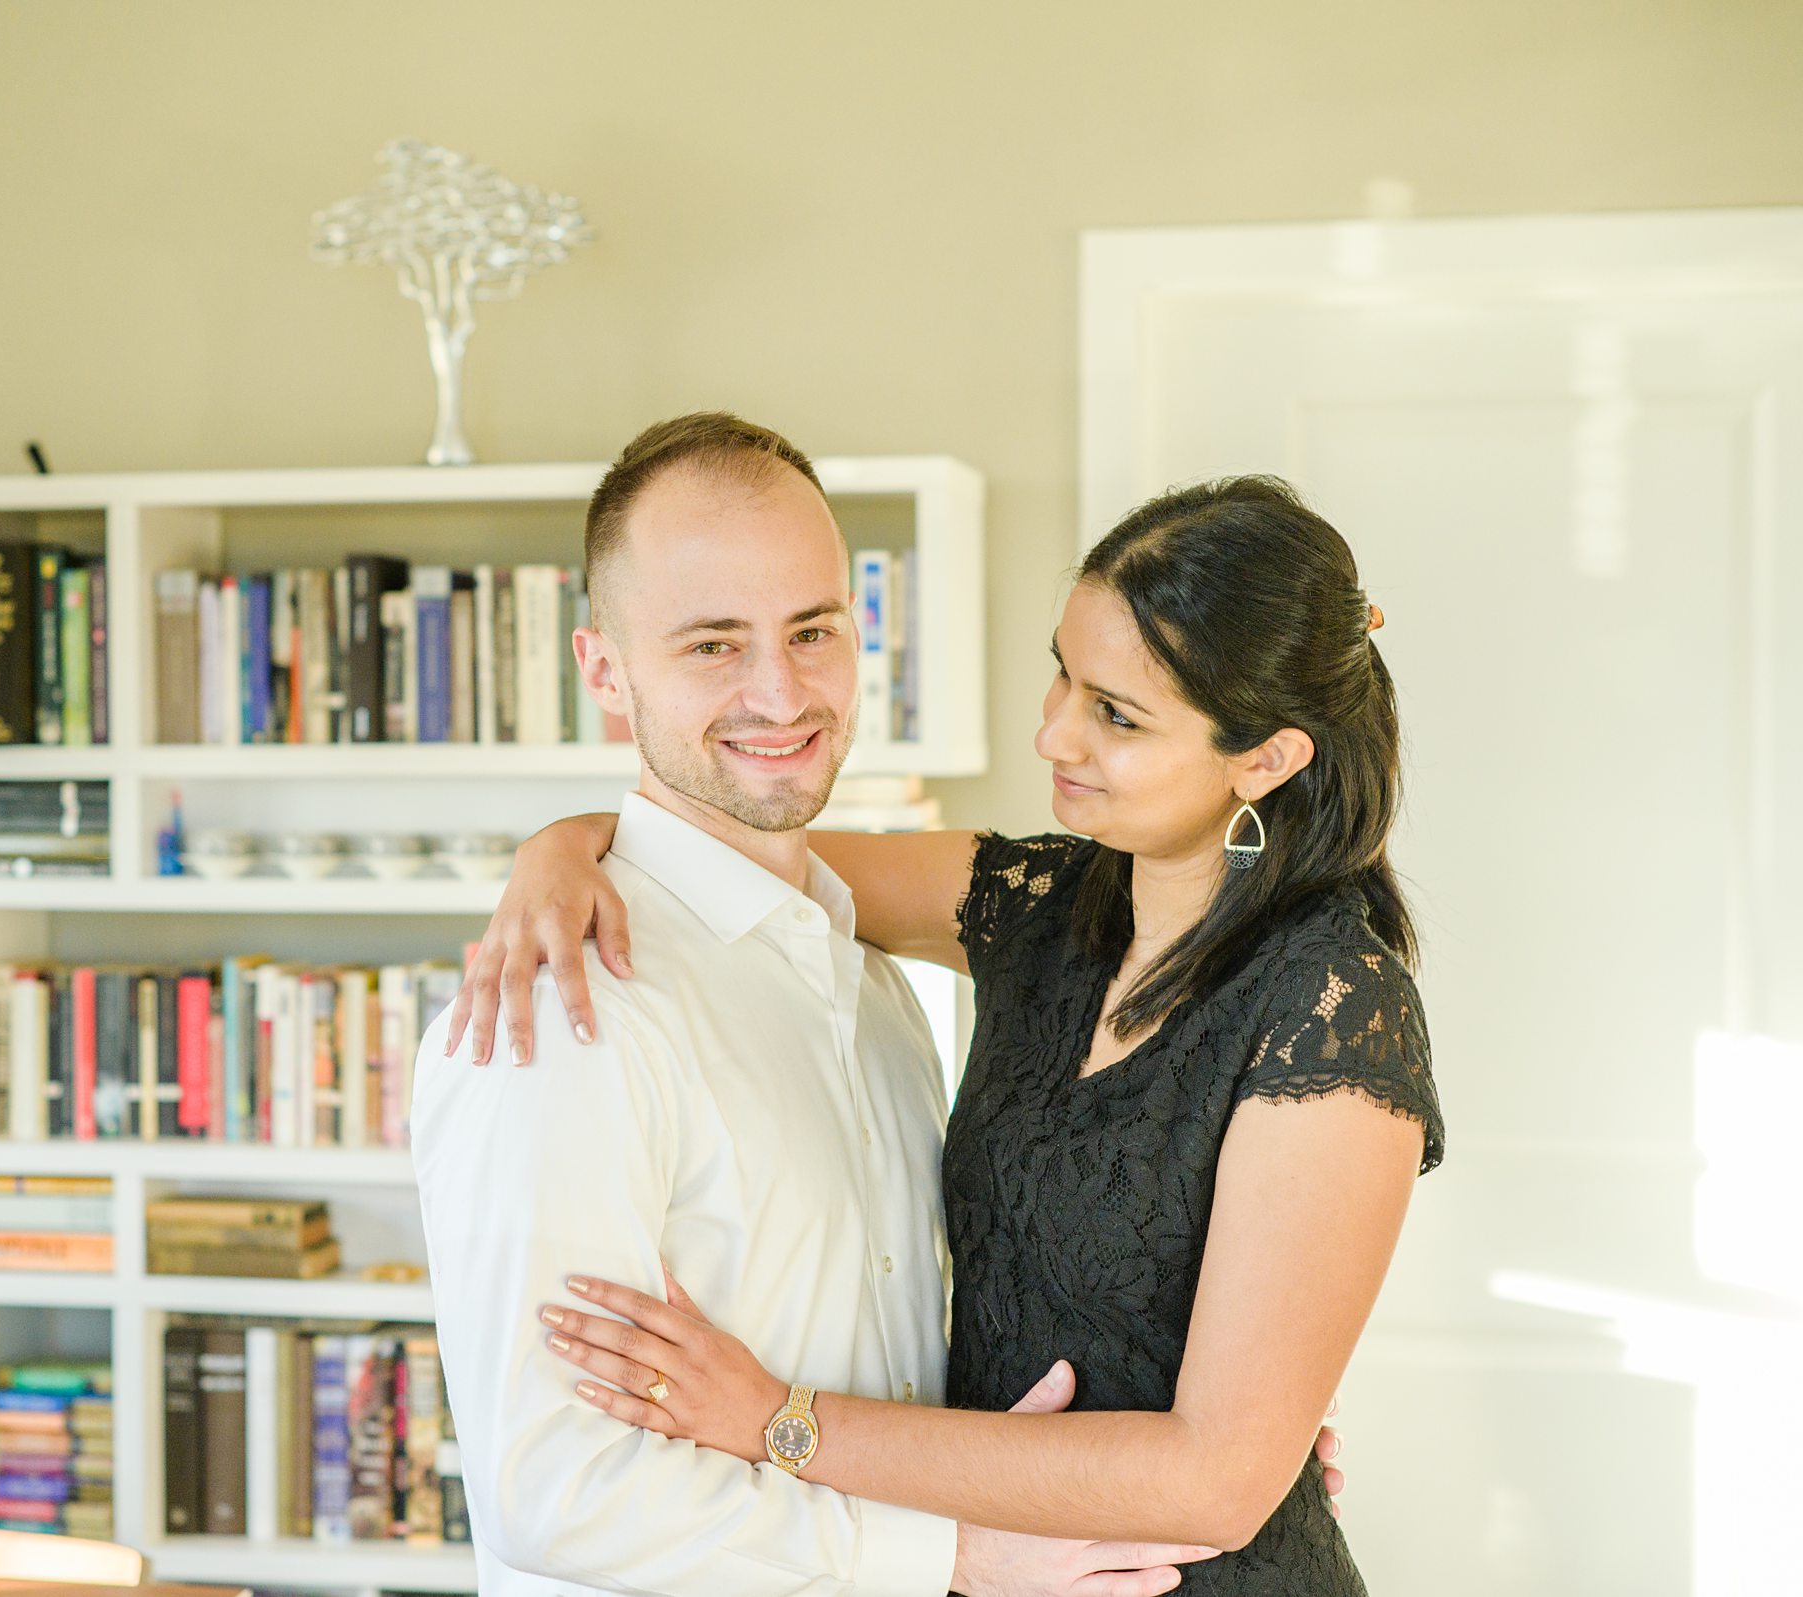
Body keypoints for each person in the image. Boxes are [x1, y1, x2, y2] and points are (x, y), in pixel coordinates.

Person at [447, 463, 1438, 1595]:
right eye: (1064, 676)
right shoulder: (1035, 906)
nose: (1053, 735)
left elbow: (1216, 1481)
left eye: (1116, 715)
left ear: (1264, 757)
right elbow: (728, 841)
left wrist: (778, 1420)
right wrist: (557, 850)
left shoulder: (1333, 1003)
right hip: (1002, 1566)